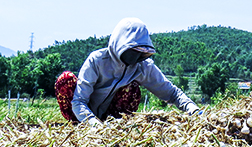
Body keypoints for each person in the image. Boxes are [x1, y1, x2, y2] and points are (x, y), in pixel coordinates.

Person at [55, 17, 200, 125]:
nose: (137, 57)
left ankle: (115, 124)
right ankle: (75, 124)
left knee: (132, 88)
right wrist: (94, 125)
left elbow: (171, 92)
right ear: (120, 45)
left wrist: (192, 108)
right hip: (81, 116)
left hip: (111, 121)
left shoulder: (142, 66)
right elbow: (79, 101)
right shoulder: (97, 61)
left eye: (142, 53)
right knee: (66, 79)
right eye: (134, 51)